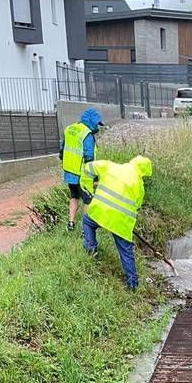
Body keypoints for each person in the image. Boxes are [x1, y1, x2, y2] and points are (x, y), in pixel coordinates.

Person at [80, 156, 153, 290]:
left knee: (87, 222)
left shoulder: (111, 166)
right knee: (125, 251)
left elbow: (88, 167)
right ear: (143, 172)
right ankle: (132, 284)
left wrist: (87, 188)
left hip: (100, 211)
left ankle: (90, 247)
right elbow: (137, 206)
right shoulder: (139, 185)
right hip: (120, 222)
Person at [59, 108, 104, 231]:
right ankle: (86, 228)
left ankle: (71, 223)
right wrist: (94, 177)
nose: (97, 127)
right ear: (91, 121)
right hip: (82, 174)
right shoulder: (87, 134)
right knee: (87, 200)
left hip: (69, 172)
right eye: (96, 123)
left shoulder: (70, 129)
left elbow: (62, 151)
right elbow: (89, 157)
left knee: (74, 197)